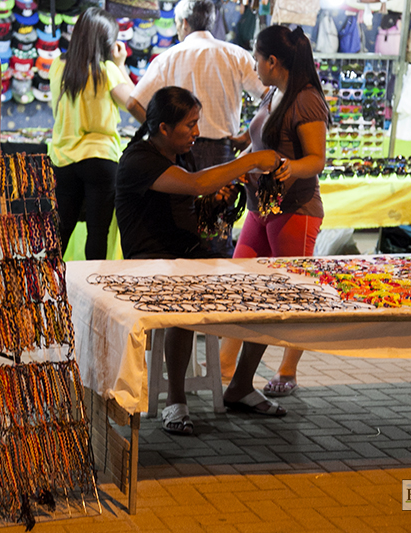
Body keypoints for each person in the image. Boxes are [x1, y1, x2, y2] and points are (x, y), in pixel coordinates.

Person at [115, 86, 288, 436]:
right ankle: (176, 401)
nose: (197, 132)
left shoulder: (183, 154)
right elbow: (194, 185)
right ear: (164, 128)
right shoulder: (138, 159)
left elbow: (194, 200)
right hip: (149, 264)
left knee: (266, 294)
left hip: (190, 257)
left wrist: (218, 199)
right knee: (184, 302)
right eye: (190, 124)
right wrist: (251, 159)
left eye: (197, 123)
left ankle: (240, 384)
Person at [219, 25, 329, 398]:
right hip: (259, 207)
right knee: (241, 284)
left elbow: (316, 159)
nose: (252, 63)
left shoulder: (306, 99)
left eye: (255, 56)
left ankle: (287, 370)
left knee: (292, 294)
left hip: (294, 209)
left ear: (273, 61)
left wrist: (287, 166)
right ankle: (225, 365)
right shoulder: (274, 94)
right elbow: (260, 141)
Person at [126, 0, 267, 258]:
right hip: (218, 151)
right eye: (191, 124)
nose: (196, 129)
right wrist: (249, 137)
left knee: (194, 222)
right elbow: (268, 97)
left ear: (184, 23)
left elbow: (133, 101)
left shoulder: (169, 57)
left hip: (176, 153)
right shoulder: (234, 54)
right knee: (218, 233)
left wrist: (159, 134)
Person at [48, 7, 134, 259]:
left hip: (63, 159)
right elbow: (138, 106)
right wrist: (121, 66)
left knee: (59, 234)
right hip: (101, 159)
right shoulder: (107, 71)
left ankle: (43, 290)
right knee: (98, 233)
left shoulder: (58, 67)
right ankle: (92, 295)